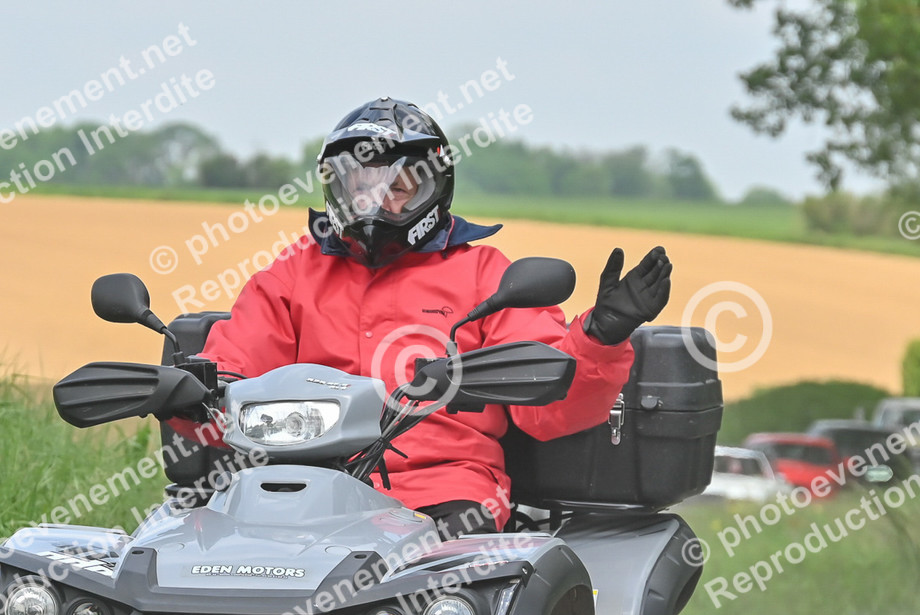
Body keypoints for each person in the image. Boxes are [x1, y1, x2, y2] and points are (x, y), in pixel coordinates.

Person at [181, 97, 672, 537]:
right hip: (303, 487)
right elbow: (232, 371)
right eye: (360, 186)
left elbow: (545, 407)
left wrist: (601, 336)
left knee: (442, 594)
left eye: (398, 186)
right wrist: (187, 392)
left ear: (434, 188)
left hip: (444, 490)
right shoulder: (293, 273)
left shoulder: (485, 275)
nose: (376, 202)